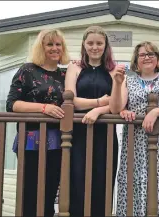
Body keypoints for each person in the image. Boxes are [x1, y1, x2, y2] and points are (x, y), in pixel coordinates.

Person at [109, 41, 159, 216]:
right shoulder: (129, 80)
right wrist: (118, 85)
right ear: (136, 60)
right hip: (134, 144)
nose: (147, 57)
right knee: (133, 184)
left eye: (151, 54)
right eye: (142, 55)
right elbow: (115, 108)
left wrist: (156, 111)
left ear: (158, 59)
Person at [6, 29, 70, 217]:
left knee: (50, 193)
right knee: (30, 192)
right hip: (30, 141)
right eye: (49, 44)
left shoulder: (64, 75)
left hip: (57, 141)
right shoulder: (27, 70)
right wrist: (44, 108)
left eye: (58, 44)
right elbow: (12, 104)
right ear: (41, 47)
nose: (54, 48)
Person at [65, 26, 118, 217]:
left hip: (106, 135)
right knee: (78, 180)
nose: (94, 47)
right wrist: (100, 101)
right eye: (90, 43)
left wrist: (97, 110)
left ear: (105, 46)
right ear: (84, 45)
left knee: (103, 181)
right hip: (78, 134)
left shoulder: (113, 70)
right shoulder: (75, 67)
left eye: (99, 43)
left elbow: (118, 103)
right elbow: (71, 101)